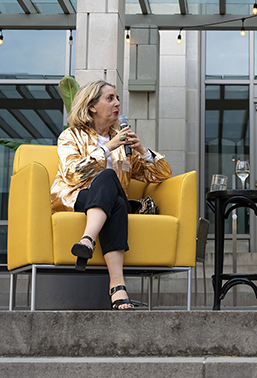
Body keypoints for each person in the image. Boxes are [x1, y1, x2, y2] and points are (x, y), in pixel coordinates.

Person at [50, 80, 172, 310]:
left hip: (108, 201)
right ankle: (118, 287)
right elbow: (72, 174)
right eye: (110, 98)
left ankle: (87, 239)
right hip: (77, 198)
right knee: (112, 193)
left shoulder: (125, 144)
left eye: (117, 98)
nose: (117, 103)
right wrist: (108, 148)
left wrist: (142, 151)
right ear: (92, 106)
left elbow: (162, 174)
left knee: (109, 182)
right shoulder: (70, 137)